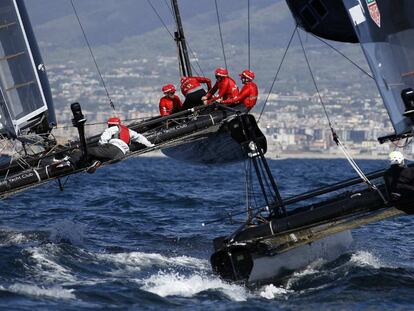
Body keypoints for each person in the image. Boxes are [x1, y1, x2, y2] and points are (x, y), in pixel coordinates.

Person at [70, 117, 154, 173]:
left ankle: (70, 163)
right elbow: (140, 137)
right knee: (97, 156)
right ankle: (95, 162)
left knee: (85, 150)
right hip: (120, 155)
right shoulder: (128, 131)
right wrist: (150, 145)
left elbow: (103, 140)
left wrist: (102, 147)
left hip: (112, 149)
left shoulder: (112, 128)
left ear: (111, 124)